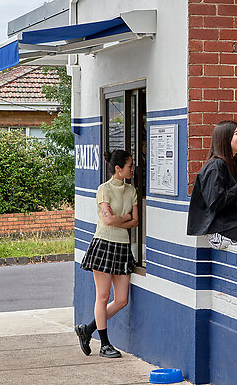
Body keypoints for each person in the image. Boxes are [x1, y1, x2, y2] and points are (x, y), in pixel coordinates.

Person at [75, 149, 139, 358]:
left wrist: (118, 217)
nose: (133, 168)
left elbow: (136, 221)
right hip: (103, 245)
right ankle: (104, 344)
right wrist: (124, 218)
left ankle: (87, 330)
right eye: (130, 166)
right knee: (102, 297)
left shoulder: (131, 191)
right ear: (118, 169)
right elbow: (109, 221)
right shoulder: (104, 189)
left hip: (122, 247)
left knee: (121, 300)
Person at [187, 120, 237, 249]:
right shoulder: (215, 166)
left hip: (234, 224)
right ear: (225, 138)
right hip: (220, 229)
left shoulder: (235, 165)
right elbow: (215, 203)